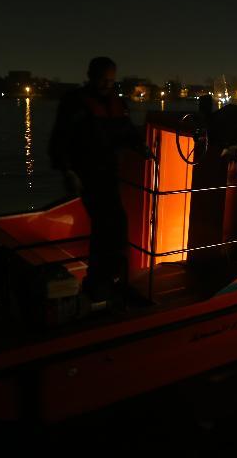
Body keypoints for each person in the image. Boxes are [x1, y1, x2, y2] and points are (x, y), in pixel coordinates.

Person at [49, 56, 151, 303]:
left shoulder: (116, 104)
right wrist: (67, 171)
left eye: (111, 80)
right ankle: (99, 283)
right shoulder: (74, 103)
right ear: (91, 76)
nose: (107, 84)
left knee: (116, 225)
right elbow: (59, 140)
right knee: (106, 226)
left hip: (108, 173)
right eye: (103, 80)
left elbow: (125, 132)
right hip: (88, 175)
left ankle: (112, 280)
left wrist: (141, 147)